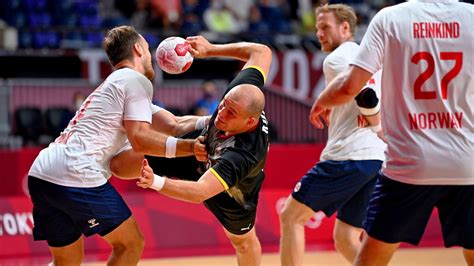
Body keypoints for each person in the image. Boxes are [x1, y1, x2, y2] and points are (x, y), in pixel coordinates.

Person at [309, 1, 473, 265]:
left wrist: (322, 100)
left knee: (370, 260)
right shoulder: (472, 16)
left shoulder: (390, 18)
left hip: (410, 164)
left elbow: (352, 86)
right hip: (467, 162)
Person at [27, 25, 204, 266]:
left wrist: (213, 119)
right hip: (76, 173)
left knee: (65, 263)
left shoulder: (117, 86)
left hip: (43, 172)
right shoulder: (136, 81)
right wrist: (191, 148)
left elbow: (174, 124)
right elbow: (140, 139)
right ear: (138, 48)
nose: (151, 56)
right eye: (149, 49)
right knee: (130, 244)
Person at [111, 35, 272, 266]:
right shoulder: (241, 93)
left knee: (244, 243)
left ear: (249, 122)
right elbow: (262, 51)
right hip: (201, 149)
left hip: (230, 192)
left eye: (231, 113)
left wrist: (155, 181)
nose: (222, 113)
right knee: (120, 165)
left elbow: (200, 192)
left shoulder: (244, 155)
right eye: (223, 104)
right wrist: (210, 49)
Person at [278, 4, 386, 265]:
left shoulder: (336, 58)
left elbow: (365, 95)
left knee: (291, 217)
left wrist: (376, 124)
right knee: (346, 236)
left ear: (345, 28)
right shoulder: (370, 57)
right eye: (317, 28)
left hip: (348, 157)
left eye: (325, 27)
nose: (319, 34)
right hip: (375, 159)